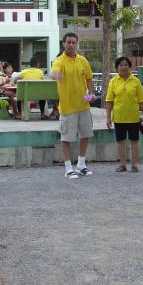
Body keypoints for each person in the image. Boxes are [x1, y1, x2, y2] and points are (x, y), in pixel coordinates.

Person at [51, 32, 96, 179]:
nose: (71, 45)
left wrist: (92, 92)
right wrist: (56, 75)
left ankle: (81, 164)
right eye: (68, 42)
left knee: (85, 135)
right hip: (67, 107)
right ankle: (68, 168)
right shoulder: (59, 60)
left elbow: (89, 78)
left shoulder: (83, 60)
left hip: (83, 106)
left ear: (77, 44)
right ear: (63, 44)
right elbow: (54, 71)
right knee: (66, 138)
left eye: (73, 42)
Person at [105, 56, 143, 172]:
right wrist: (108, 118)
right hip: (119, 118)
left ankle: (134, 165)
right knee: (120, 141)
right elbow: (109, 101)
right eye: (121, 65)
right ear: (117, 68)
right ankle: (122, 165)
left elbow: (142, 100)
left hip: (134, 118)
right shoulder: (113, 82)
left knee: (134, 141)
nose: (123, 67)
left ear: (130, 67)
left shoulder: (136, 82)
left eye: (126, 65)